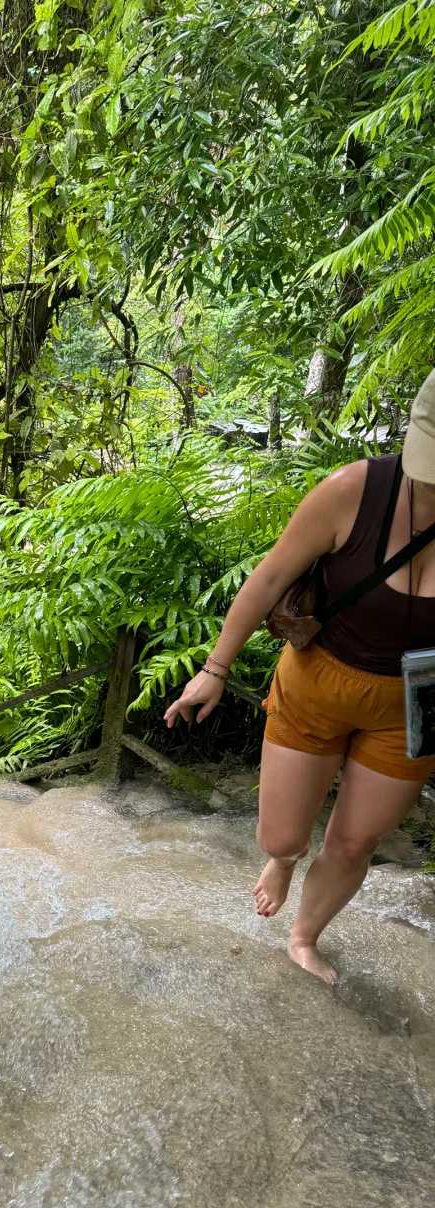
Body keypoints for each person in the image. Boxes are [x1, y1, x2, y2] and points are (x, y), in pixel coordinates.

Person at [165, 369, 435, 985]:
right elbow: (267, 578)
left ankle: (305, 936)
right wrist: (214, 669)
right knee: (281, 834)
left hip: (416, 702)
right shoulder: (353, 491)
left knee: (353, 841)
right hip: (319, 679)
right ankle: (283, 859)